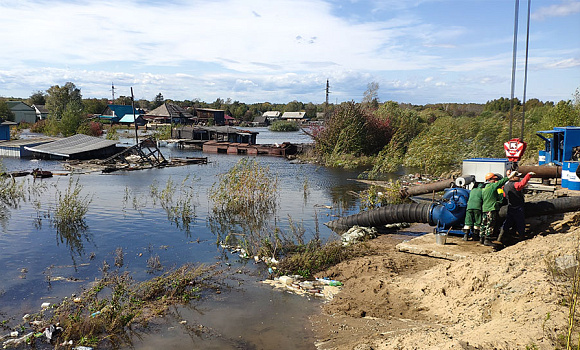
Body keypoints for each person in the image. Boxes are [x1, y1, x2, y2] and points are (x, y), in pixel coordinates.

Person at [497, 170, 535, 245]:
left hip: (510, 206)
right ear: (513, 177)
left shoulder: (506, 185)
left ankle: (500, 237)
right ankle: (521, 237)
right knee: (520, 222)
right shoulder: (514, 184)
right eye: (518, 176)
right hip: (517, 207)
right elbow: (521, 184)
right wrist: (528, 176)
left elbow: (504, 195)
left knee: (507, 223)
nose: (519, 177)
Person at [480, 172, 512, 246]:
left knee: (484, 223)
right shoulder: (492, 187)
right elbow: (501, 197)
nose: (495, 181)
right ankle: (487, 239)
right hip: (491, 208)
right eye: (494, 179)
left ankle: (481, 238)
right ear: (490, 179)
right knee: (490, 224)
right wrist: (509, 176)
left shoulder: (484, 188)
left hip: (485, 208)